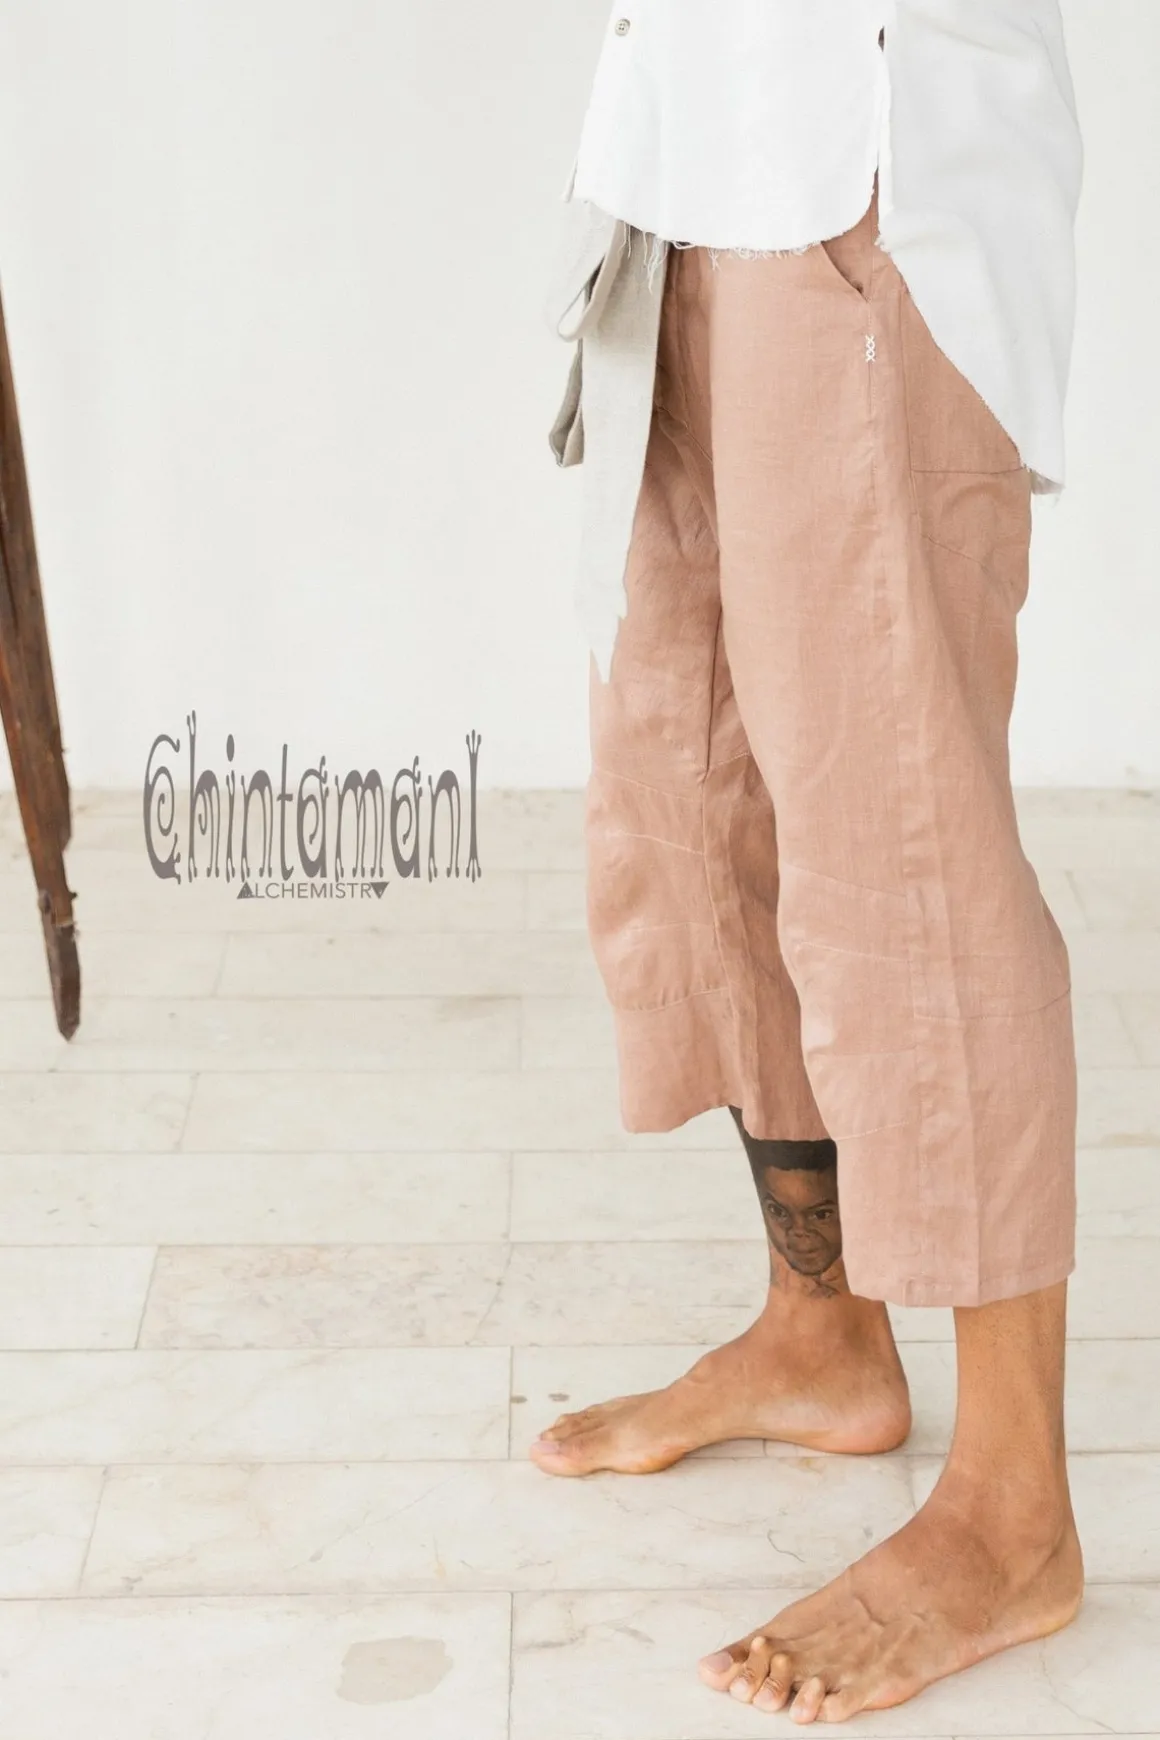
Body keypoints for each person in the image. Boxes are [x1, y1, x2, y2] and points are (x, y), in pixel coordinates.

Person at [535, 0, 1086, 1724]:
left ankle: (1012, 1515)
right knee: (701, 783)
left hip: (870, 165)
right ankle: (823, 1333)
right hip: (680, 155)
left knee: (901, 848)